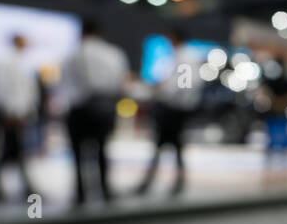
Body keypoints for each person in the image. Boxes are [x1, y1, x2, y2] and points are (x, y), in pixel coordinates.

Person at [61, 19, 128, 206]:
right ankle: (105, 190)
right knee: (102, 151)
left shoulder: (73, 54)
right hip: (105, 108)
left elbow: (64, 85)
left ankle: (81, 193)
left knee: (78, 154)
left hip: (79, 110)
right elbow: (121, 83)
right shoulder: (114, 54)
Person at [136, 28, 201, 197]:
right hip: (175, 108)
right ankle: (170, 183)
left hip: (174, 109)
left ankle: (153, 183)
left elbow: (183, 86)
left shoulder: (185, 57)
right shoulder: (184, 56)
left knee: (165, 146)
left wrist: (161, 90)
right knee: (172, 147)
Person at [0, 34, 39, 203]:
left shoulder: (22, 61)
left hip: (20, 113)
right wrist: (11, 112)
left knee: (11, 151)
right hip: (12, 114)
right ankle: (27, 188)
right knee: (14, 150)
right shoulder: (6, 62)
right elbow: (3, 88)